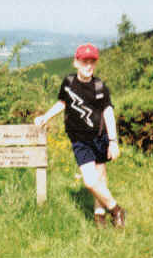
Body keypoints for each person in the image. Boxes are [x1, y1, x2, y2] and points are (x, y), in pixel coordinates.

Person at [34, 43, 126, 228]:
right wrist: (46, 116)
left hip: (100, 136)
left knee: (100, 177)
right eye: (85, 61)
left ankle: (99, 215)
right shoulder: (68, 83)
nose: (89, 66)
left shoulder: (99, 87)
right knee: (90, 181)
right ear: (76, 62)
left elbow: (108, 112)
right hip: (79, 140)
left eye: (92, 62)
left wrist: (113, 142)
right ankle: (116, 209)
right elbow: (63, 103)